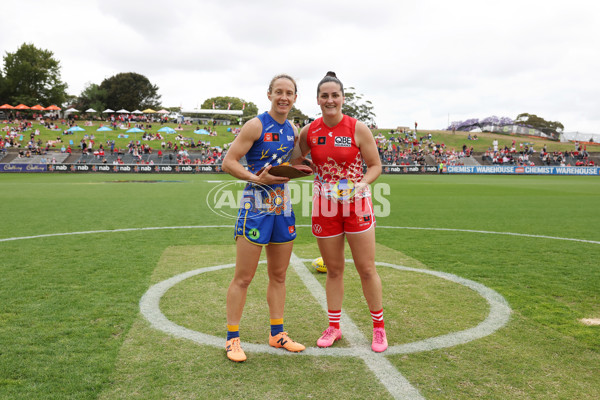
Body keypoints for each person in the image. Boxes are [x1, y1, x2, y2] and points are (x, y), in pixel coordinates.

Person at [294, 71, 387, 352]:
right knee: (334, 270)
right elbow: (295, 161)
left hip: (357, 205)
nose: (330, 100)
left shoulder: (358, 128)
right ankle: (334, 327)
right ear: (318, 100)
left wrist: (362, 184)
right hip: (325, 207)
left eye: (335, 95)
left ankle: (379, 329)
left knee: (366, 269)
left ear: (343, 98)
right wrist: (306, 168)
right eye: (325, 95)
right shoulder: (309, 131)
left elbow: (375, 166)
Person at [221, 74, 311, 362]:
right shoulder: (255, 124)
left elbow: (292, 162)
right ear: (269, 94)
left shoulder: (293, 129)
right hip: (255, 205)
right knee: (244, 277)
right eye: (279, 92)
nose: (284, 97)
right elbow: (229, 162)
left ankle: (277, 334)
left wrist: (302, 168)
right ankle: (232, 339)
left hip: (282, 206)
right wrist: (255, 178)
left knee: (279, 275)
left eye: (289, 93)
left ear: (295, 98)